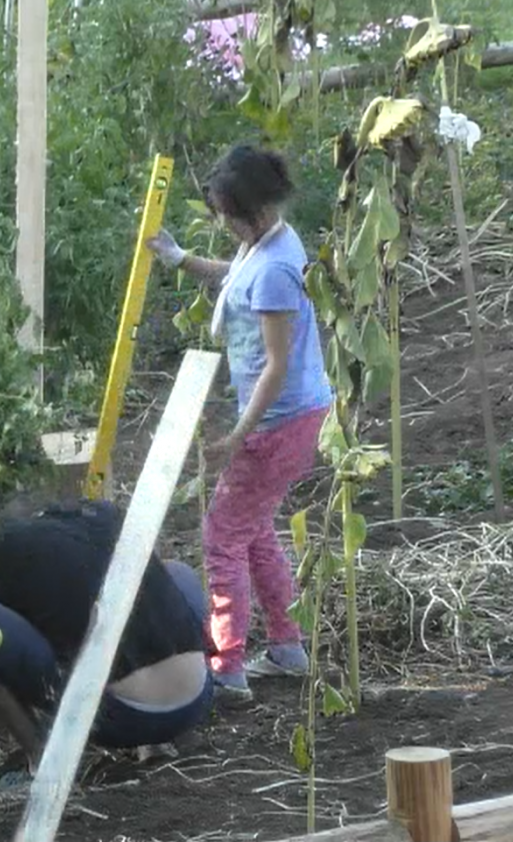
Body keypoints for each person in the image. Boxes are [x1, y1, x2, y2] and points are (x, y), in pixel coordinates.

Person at [145, 143, 334, 702]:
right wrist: (182, 260)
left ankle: (227, 667)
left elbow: (276, 367)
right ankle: (288, 645)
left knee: (221, 535)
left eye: (226, 214)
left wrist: (236, 437)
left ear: (250, 210)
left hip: (280, 422)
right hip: (289, 419)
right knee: (252, 530)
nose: (222, 224)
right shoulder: (271, 242)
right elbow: (237, 276)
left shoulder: (277, 268)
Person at [0, 497, 214, 783]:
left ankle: (43, 764)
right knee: (177, 572)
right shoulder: (104, 514)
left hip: (122, 718)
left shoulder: (4, 548)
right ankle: (166, 739)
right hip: (198, 698)